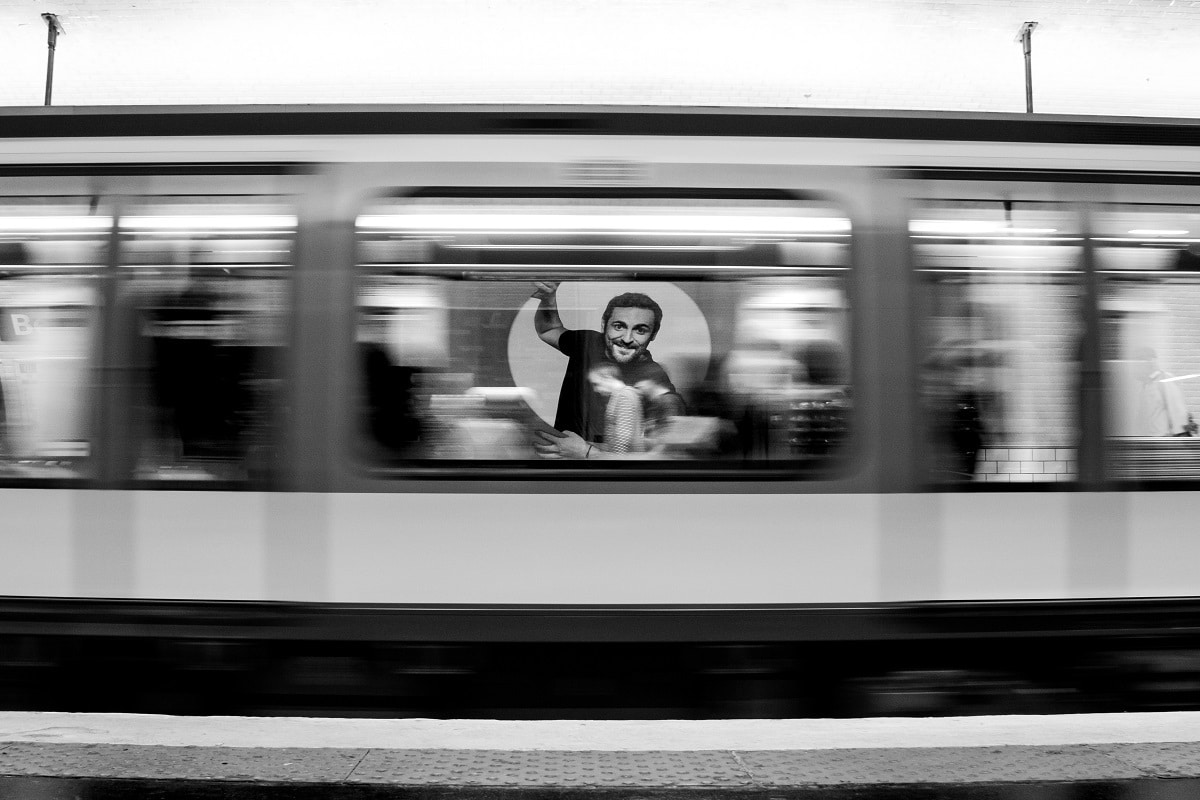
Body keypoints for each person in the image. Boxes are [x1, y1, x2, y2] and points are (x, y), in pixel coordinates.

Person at [530, 282, 683, 459]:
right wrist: (548, 298)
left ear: (653, 334)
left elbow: (664, 456)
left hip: (610, 479)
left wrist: (586, 453)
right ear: (604, 325)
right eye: (619, 326)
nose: (626, 339)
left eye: (640, 330)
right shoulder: (588, 343)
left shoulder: (656, 379)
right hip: (560, 470)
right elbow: (549, 329)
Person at [1135, 347, 1196, 437]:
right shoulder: (1145, 385)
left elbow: (1177, 412)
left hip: (1162, 440)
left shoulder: (1165, 379)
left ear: (1152, 361)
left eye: (1141, 362)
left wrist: (1182, 436)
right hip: (1147, 440)